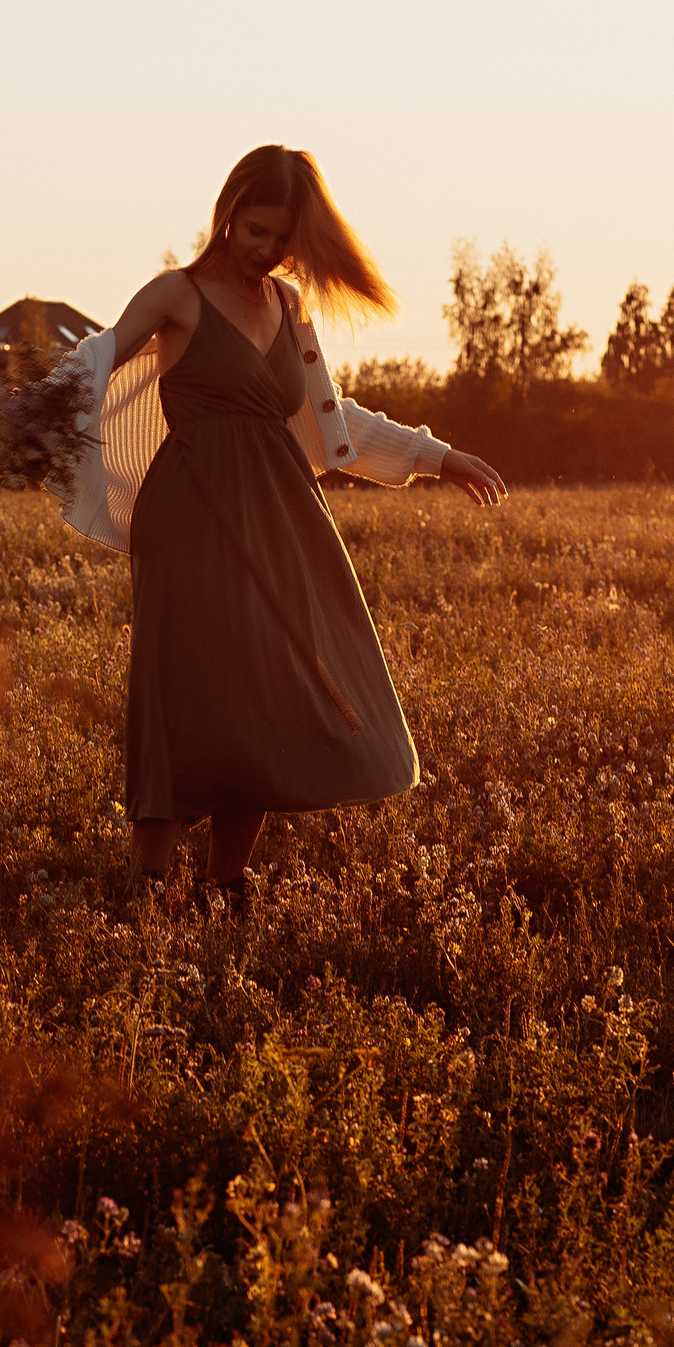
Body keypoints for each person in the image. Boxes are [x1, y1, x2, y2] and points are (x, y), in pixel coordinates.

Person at [54, 145, 508, 910]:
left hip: (283, 516)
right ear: (227, 214)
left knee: (271, 696)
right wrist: (29, 416)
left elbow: (329, 417)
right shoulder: (177, 295)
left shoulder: (290, 307)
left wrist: (438, 455)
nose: (266, 251)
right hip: (191, 518)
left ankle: (223, 887)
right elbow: (94, 365)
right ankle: (145, 890)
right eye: (255, 231)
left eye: (282, 240)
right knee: (185, 693)